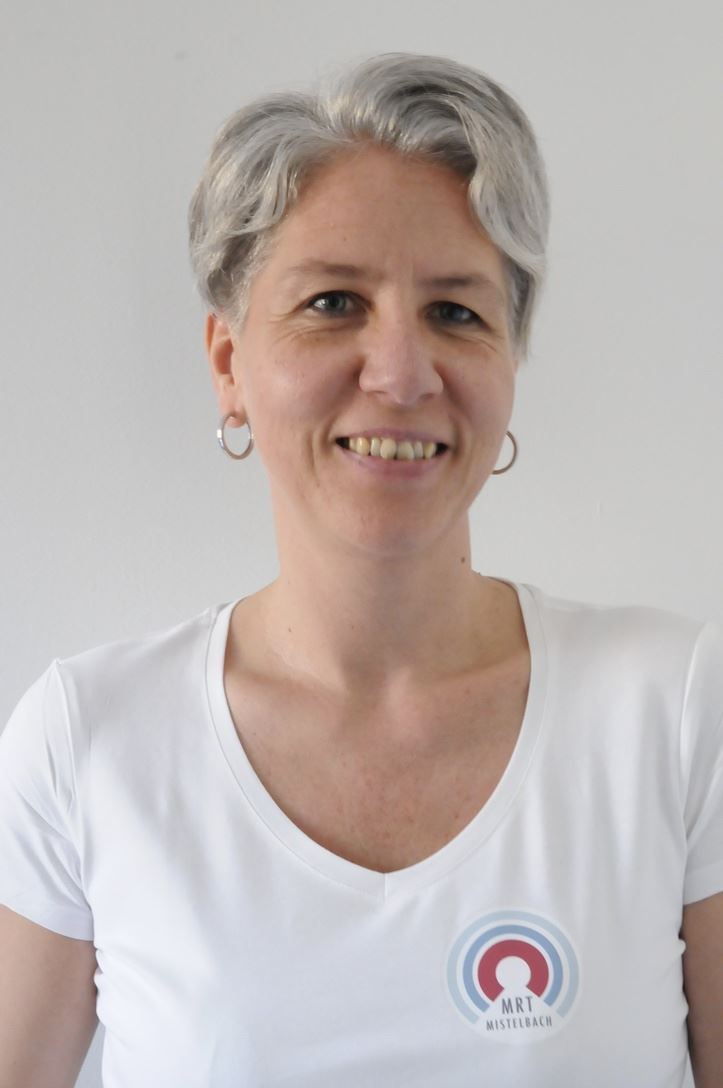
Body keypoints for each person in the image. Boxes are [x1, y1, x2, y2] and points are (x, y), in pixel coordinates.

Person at [1, 52, 721, 1088]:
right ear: (228, 364)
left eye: (456, 312)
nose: (400, 373)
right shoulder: (88, 743)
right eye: (334, 302)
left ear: (509, 364)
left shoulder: (675, 710)